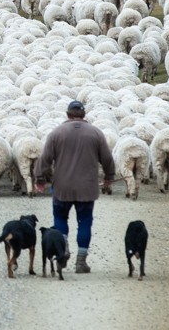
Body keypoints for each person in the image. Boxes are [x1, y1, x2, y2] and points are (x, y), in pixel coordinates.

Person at [34, 100, 115, 274]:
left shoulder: (57, 133)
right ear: (84, 115)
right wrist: (109, 176)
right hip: (87, 188)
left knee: (60, 219)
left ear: (68, 114)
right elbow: (107, 159)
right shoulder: (96, 133)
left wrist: (39, 178)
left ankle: (63, 251)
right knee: (85, 222)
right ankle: (81, 261)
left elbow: (45, 158)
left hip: (62, 187)